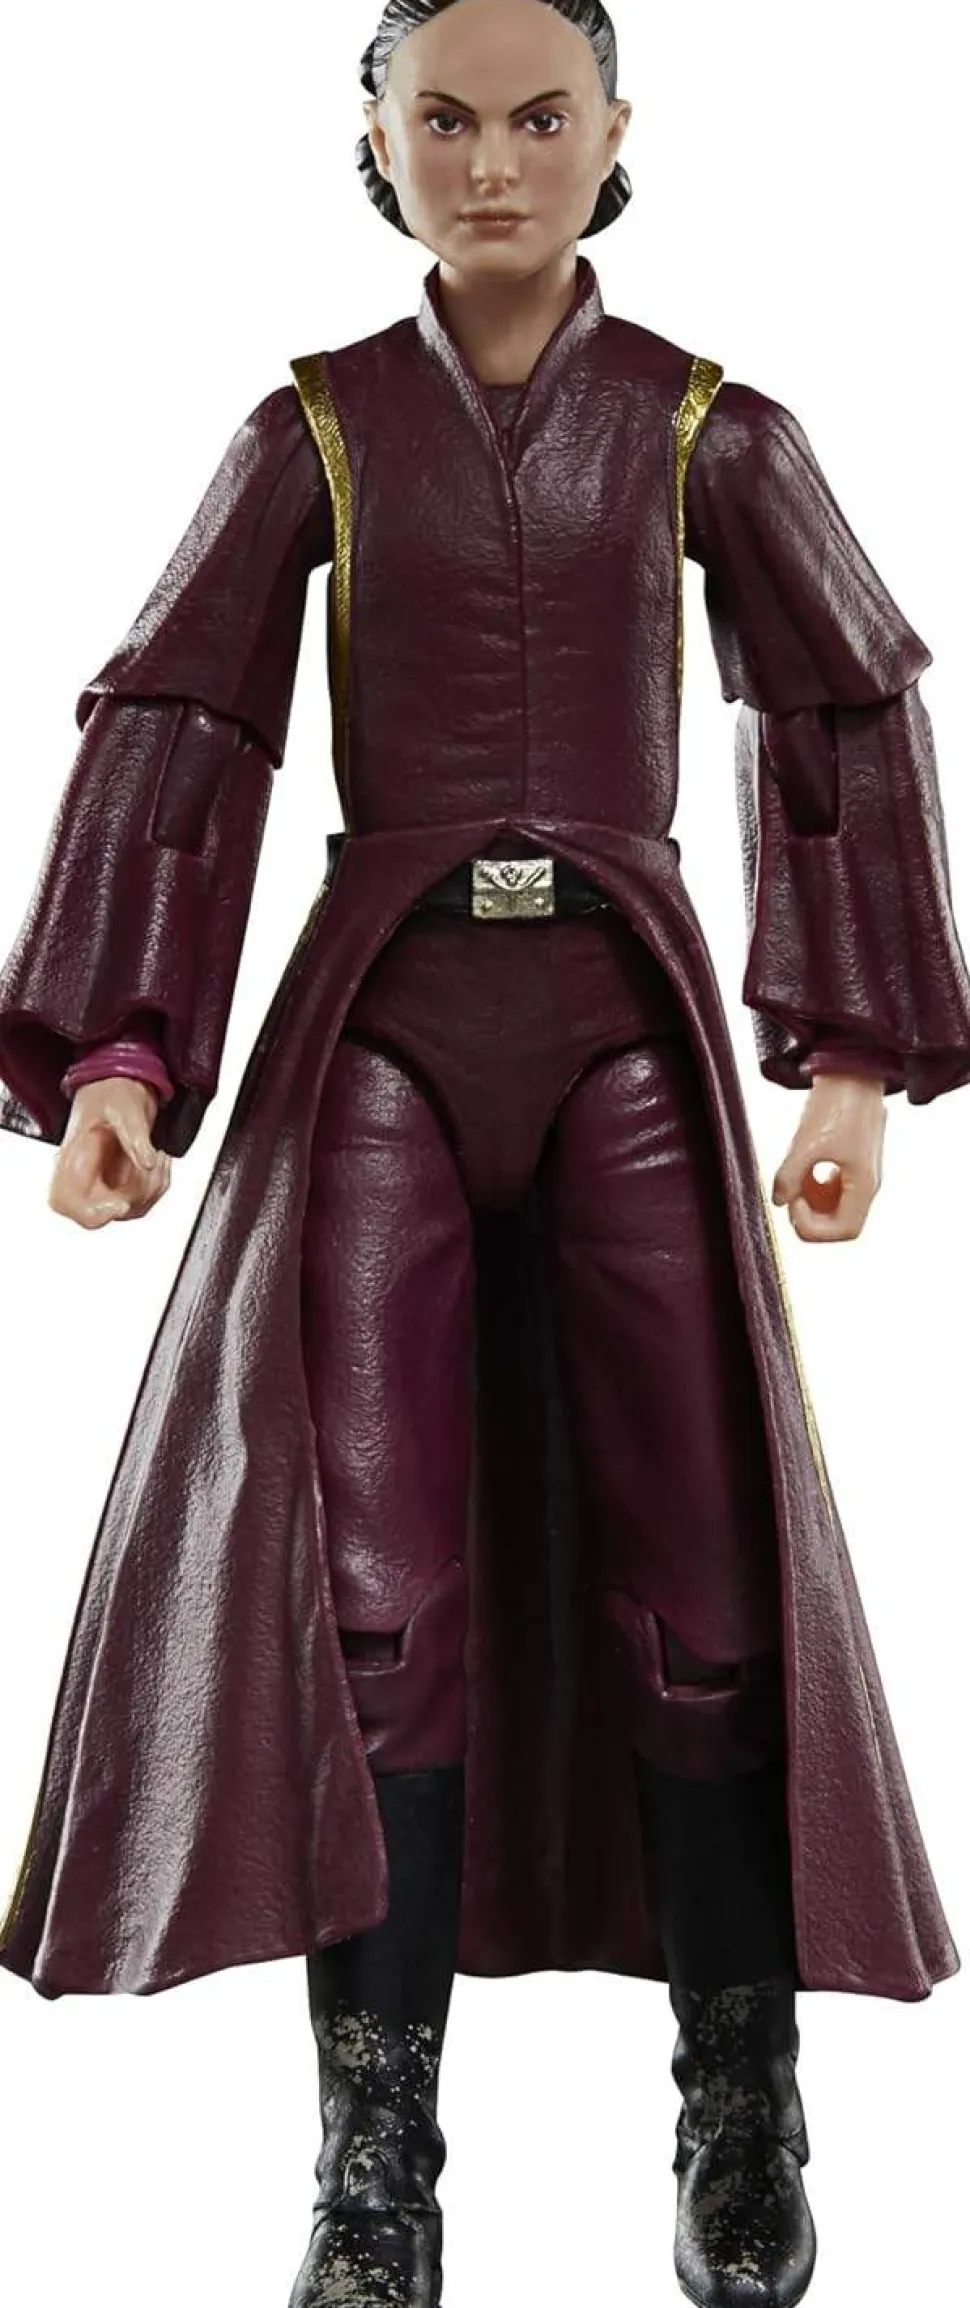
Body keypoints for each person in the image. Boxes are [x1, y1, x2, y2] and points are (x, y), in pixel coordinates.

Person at [0, 3, 968, 2304]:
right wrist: (122, 1049)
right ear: (376, 138)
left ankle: (738, 2111)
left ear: (616, 133)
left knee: (705, 1579)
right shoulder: (316, 425)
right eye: (442, 120)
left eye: (540, 119)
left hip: (622, 1021)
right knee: (367, 1603)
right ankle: (374, 2163)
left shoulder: (704, 424)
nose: (494, 165)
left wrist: (845, 1054)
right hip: (386, 1035)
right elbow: (182, 726)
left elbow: (833, 704)